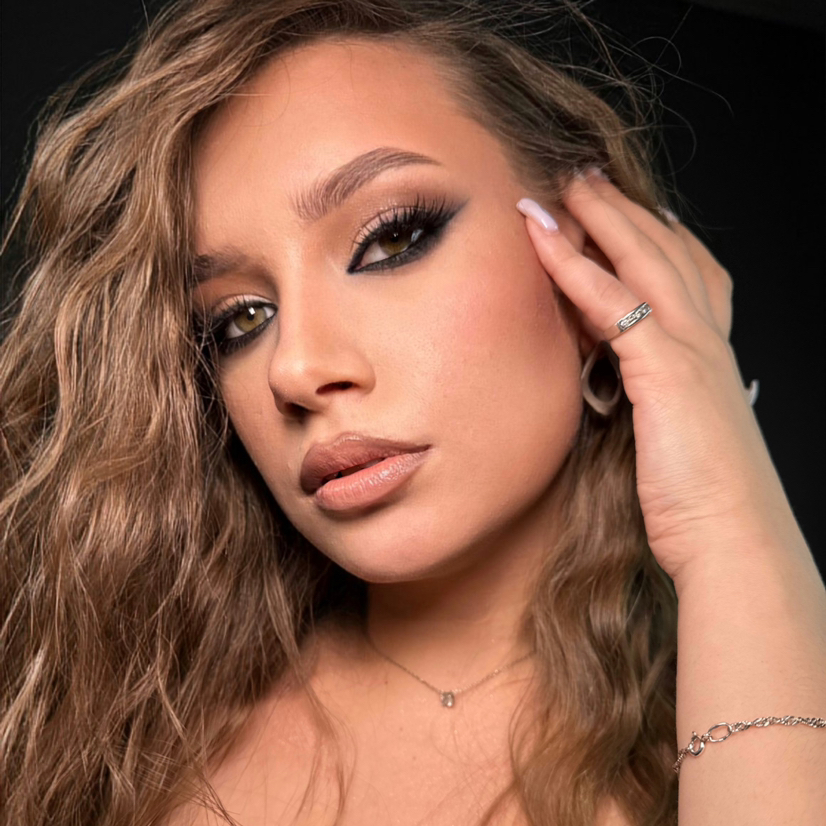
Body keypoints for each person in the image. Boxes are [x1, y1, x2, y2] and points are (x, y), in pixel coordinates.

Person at [1, 1, 823, 824]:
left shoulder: (754, 719)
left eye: (391, 239)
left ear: (593, 260)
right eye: (239, 319)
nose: (295, 369)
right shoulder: (127, 753)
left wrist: (726, 521)